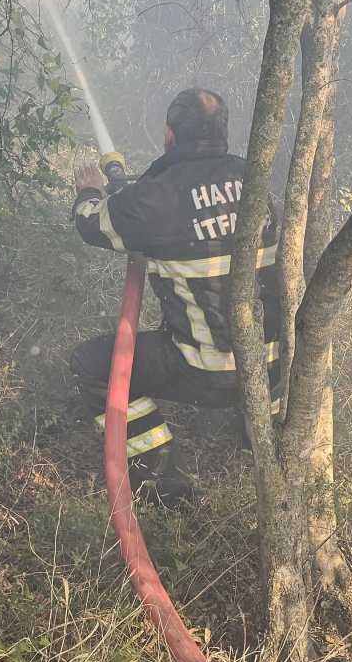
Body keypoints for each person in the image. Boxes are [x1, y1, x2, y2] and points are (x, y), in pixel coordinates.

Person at [69, 88, 280, 506]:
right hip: (271, 367)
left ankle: (168, 487)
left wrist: (90, 192)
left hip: (208, 372)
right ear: (224, 131)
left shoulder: (158, 198)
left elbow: (92, 225)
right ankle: (251, 443)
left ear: (169, 134)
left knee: (90, 365)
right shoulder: (252, 179)